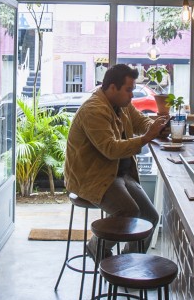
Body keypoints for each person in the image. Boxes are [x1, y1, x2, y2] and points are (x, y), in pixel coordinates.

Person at [64, 63, 169, 258]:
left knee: (151, 217)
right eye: (128, 90)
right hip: (93, 177)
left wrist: (157, 126)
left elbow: (141, 123)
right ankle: (96, 246)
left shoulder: (123, 105)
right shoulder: (94, 110)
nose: (131, 95)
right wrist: (147, 137)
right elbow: (110, 149)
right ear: (113, 87)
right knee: (129, 212)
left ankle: (131, 260)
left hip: (118, 174)